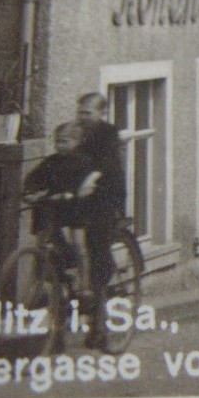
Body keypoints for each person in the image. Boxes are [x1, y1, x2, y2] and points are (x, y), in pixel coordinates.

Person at [75, 92, 126, 350]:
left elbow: (106, 161)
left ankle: (102, 330)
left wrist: (92, 178)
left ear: (101, 113)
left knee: (98, 257)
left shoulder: (109, 132)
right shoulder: (79, 134)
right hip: (85, 196)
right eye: (80, 112)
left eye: (87, 113)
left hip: (106, 196)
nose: (82, 117)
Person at [23, 121, 101, 269]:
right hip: (54, 206)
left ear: (77, 142)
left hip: (77, 207)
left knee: (78, 244)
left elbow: (82, 183)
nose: (59, 145)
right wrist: (30, 191)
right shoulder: (51, 161)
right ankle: (53, 276)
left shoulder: (83, 161)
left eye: (64, 141)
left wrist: (70, 193)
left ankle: (84, 285)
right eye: (57, 141)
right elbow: (34, 177)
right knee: (44, 239)